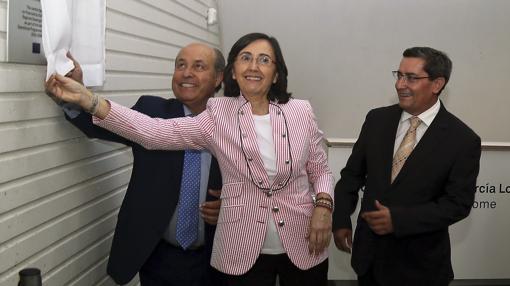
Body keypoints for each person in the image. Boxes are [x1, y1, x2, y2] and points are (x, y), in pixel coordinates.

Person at [46, 32, 334, 286]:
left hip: (304, 241)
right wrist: (88, 100)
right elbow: (151, 131)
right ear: (233, 71)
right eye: (246, 58)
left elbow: (319, 167)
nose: (254, 66)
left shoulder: (300, 111)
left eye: (264, 60)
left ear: (277, 73)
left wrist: (323, 206)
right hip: (238, 253)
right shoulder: (218, 115)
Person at [46, 44, 226, 285]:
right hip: (157, 257)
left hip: (215, 259)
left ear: (218, 78)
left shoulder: (233, 126)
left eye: (199, 66)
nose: (186, 73)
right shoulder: (150, 112)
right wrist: (77, 94)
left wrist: (232, 206)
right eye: (180, 65)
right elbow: (97, 124)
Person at [332, 47, 481, 286]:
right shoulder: (376, 120)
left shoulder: (462, 140)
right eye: (399, 75)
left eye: (411, 78)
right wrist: (340, 220)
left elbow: (457, 205)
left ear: (437, 84)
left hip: (420, 269)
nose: (400, 84)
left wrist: (399, 220)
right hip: (368, 260)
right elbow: (351, 176)